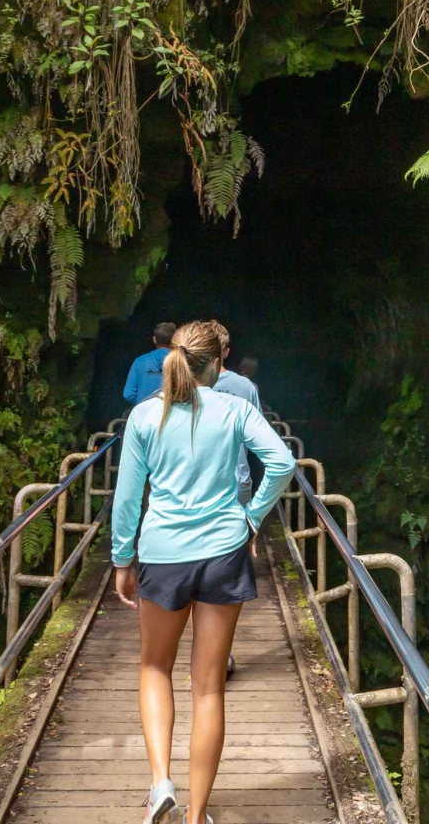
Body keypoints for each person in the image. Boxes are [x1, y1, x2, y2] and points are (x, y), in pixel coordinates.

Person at [111, 321, 295, 824]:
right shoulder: (234, 408)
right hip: (223, 552)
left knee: (154, 669)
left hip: (164, 554)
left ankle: (160, 785)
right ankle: (196, 817)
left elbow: (127, 498)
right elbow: (281, 463)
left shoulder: (147, 415)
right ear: (218, 364)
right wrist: (250, 517)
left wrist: (122, 559)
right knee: (209, 686)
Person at [206, 321, 260, 505]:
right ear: (226, 352)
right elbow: (258, 437)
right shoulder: (247, 387)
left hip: (191, 486)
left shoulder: (182, 387)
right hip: (236, 480)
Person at [124, 322, 176, 406]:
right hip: (172, 414)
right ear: (174, 340)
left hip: (145, 415)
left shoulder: (139, 361)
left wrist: (144, 406)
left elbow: (128, 394)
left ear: (154, 339)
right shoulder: (182, 362)